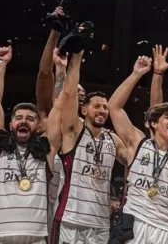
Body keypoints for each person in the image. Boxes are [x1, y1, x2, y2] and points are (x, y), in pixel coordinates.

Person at [106, 56, 168, 244]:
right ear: (153, 123)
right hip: (133, 221)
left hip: (163, 227)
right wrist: (136, 74)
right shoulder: (138, 142)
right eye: (167, 117)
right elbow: (113, 107)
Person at [0, 46, 62, 244]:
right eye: (18, 117)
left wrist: (60, 69)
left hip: (35, 238)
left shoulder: (47, 151)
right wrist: (0, 64)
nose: (24, 121)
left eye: (30, 118)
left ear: (39, 125)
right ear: (10, 125)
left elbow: (60, 107)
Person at [51, 48, 128, 243]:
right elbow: (66, 97)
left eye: (105, 107)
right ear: (84, 109)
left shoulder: (113, 140)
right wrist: (74, 59)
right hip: (70, 219)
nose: (102, 110)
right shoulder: (74, 132)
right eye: (97, 106)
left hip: (101, 223)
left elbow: (134, 160)